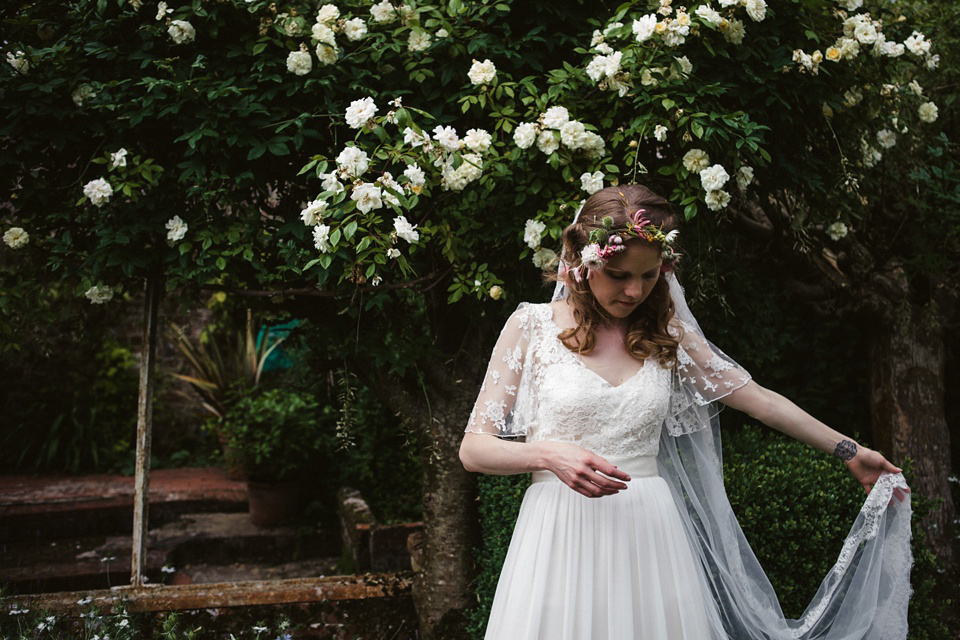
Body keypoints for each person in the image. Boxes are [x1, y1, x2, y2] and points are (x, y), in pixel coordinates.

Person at [459, 184, 912, 640]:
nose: (635, 290)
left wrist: (849, 450)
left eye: (650, 275)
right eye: (618, 275)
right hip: (558, 532)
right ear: (583, 263)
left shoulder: (668, 335)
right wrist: (548, 455)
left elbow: (760, 401)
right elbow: (474, 450)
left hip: (648, 533)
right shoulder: (531, 326)